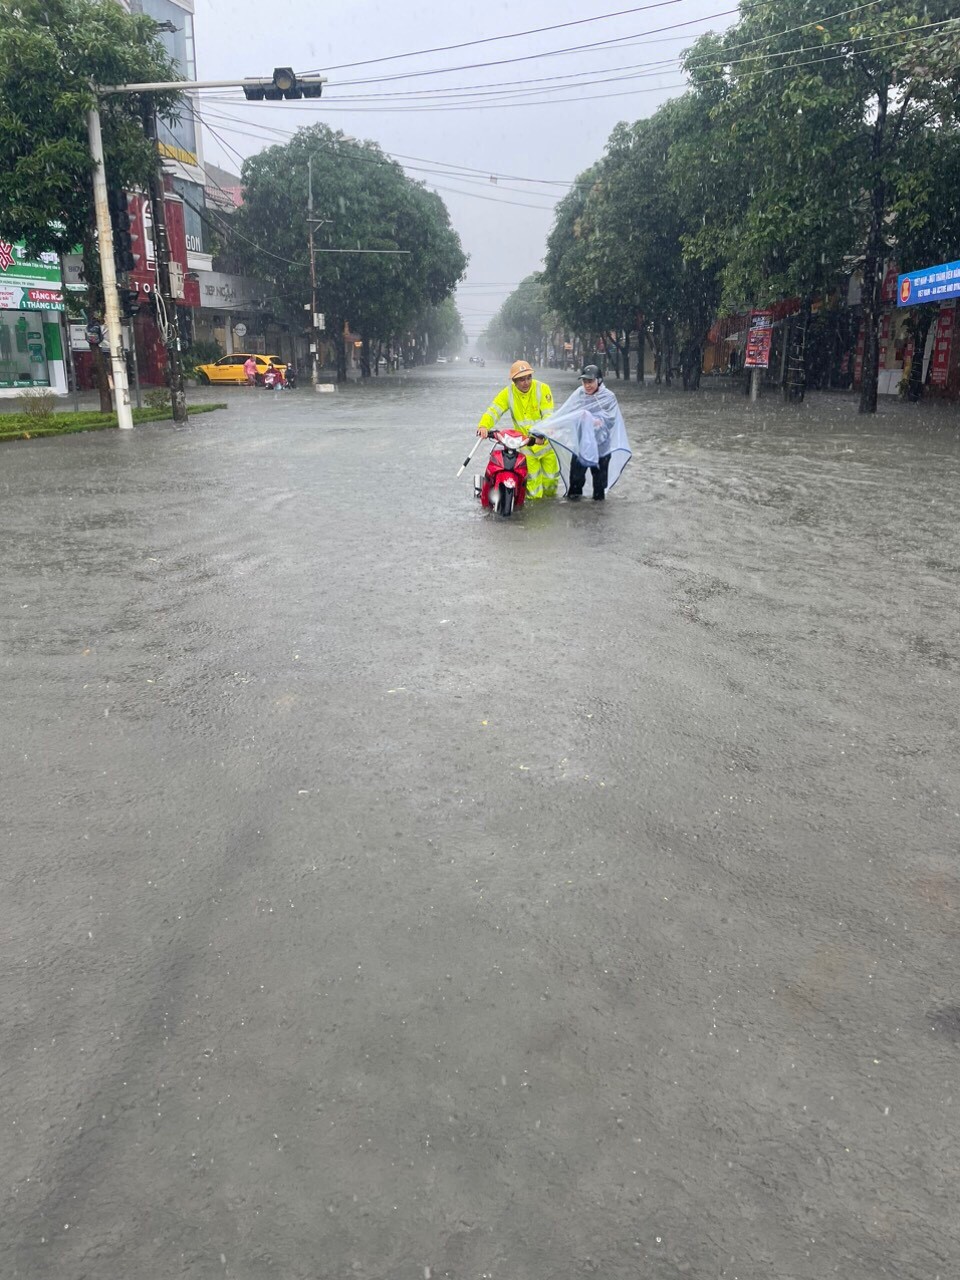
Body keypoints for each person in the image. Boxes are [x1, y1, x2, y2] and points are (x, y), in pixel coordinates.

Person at [543, 364, 632, 501]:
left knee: (599, 488)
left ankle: (597, 517)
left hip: (601, 448)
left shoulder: (608, 397)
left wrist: (597, 421)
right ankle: (576, 517)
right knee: (575, 485)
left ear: (599, 380)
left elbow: (611, 419)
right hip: (580, 447)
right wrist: (552, 426)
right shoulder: (579, 394)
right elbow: (567, 413)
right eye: (585, 382)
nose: (587, 385)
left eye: (590, 381)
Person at [476, 360, 560, 500]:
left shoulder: (543, 389)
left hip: (545, 444)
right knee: (533, 488)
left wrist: (542, 433)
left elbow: (548, 414)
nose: (526, 382)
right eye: (521, 379)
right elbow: (494, 411)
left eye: (528, 378)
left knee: (551, 483)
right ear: (514, 381)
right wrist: (484, 426)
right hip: (526, 445)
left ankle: (549, 509)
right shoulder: (507, 393)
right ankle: (534, 516)